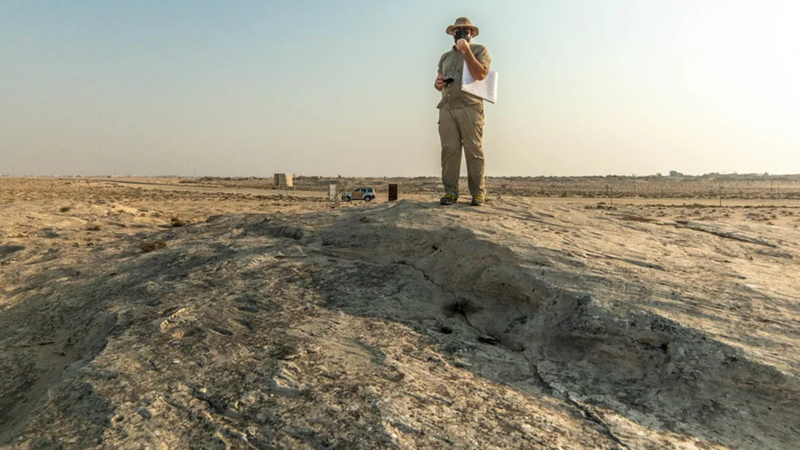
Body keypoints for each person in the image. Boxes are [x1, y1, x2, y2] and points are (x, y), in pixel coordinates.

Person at [434, 17, 491, 206]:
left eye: (465, 30)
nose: (461, 33)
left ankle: (478, 193)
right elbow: (437, 82)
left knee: (473, 150)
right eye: (458, 30)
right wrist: (438, 84)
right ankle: (450, 192)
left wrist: (466, 50)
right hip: (447, 106)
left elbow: (480, 74)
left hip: (470, 105)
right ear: (452, 33)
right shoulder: (445, 57)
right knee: (449, 151)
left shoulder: (479, 51)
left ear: (471, 33)